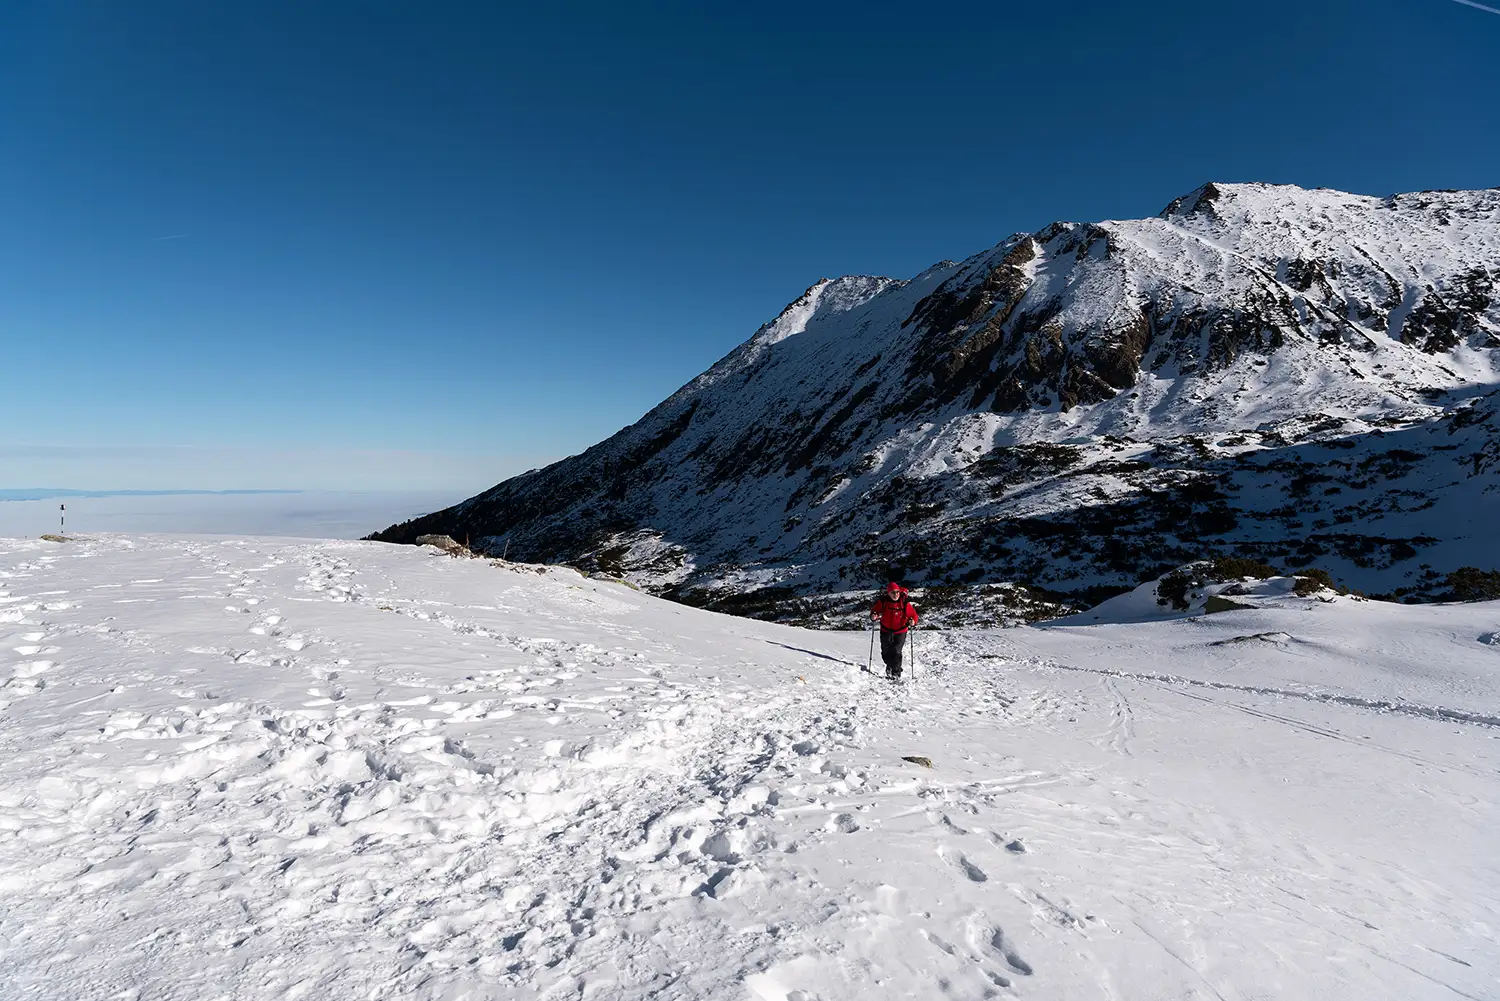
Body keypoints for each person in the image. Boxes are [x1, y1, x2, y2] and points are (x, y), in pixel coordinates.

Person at [870, 581, 919, 680]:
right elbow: (875, 610)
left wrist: (913, 621)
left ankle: (896, 673)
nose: (895, 594)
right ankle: (890, 665)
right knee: (885, 652)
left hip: (901, 630)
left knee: (896, 651)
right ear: (888, 593)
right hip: (885, 629)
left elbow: (913, 615)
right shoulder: (883, 602)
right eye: (893, 592)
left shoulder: (904, 603)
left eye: (897, 592)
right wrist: (874, 615)